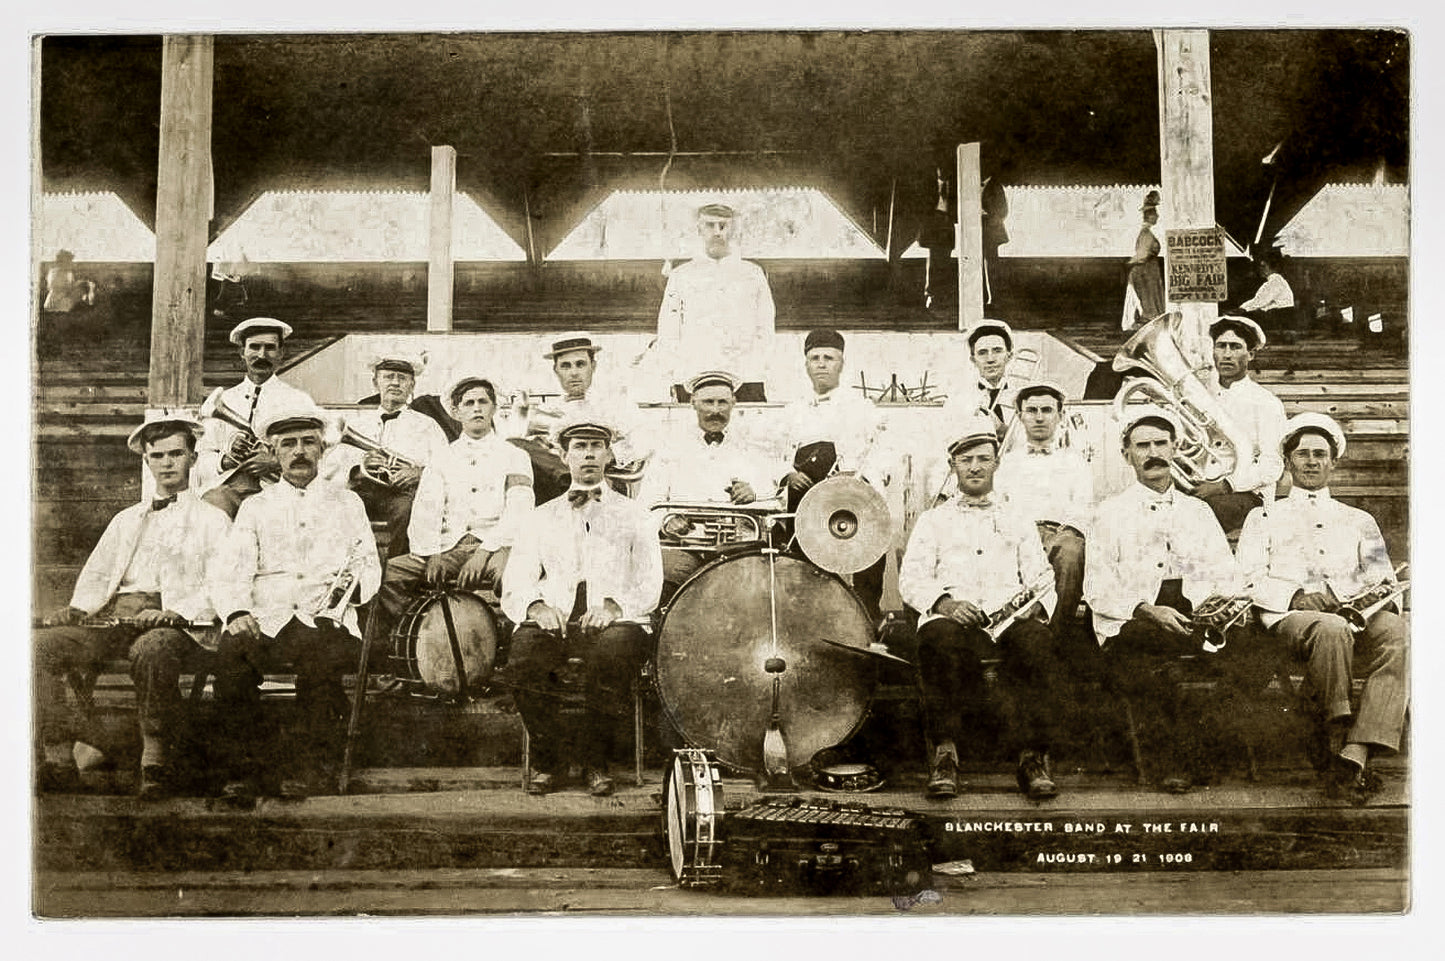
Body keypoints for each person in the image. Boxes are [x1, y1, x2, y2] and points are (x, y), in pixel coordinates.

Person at [34, 412, 230, 798]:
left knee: (151, 650)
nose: (167, 463)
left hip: (176, 623)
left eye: (176, 454)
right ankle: (58, 758)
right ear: (147, 461)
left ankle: (154, 762)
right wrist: (78, 609)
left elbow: (224, 581)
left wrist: (176, 611)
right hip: (112, 620)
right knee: (39, 648)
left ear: (193, 457)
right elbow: (97, 573)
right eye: (158, 456)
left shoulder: (213, 520)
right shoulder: (127, 519)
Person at [210, 403, 382, 803]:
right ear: (275, 453)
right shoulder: (256, 506)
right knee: (232, 656)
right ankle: (244, 770)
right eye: (289, 444)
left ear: (322, 450)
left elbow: (367, 564)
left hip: (327, 616)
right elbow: (231, 569)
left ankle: (308, 768)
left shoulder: (347, 503)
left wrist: (338, 606)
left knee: (320, 658)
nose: (299, 451)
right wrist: (237, 612)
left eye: (308, 442)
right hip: (267, 616)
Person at [1236, 413, 1407, 801]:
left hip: (1352, 616)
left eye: (1320, 454)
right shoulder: (1262, 516)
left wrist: (1343, 595)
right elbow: (1246, 579)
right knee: (1330, 630)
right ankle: (1334, 737)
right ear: (1288, 462)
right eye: (1302, 454)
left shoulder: (1359, 519)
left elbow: (1384, 579)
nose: (1311, 461)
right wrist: (1295, 596)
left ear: (1333, 461)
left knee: (1400, 631)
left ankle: (1356, 751)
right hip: (1289, 620)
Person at [898, 415, 1062, 801]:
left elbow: (1042, 576)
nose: (974, 467)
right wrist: (945, 603)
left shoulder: (1018, 518)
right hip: (952, 619)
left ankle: (1031, 757)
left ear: (995, 464)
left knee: (1037, 642)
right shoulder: (932, 521)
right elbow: (911, 579)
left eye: (983, 459)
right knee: (938, 639)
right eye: (966, 459)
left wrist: (1033, 609)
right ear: (953, 465)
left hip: (1009, 620)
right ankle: (946, 754)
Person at [500, 413, 663, 797]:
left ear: (608, 455)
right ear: (565, 455)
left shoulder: (636, 515)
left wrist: (614, 606)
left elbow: (650, 582)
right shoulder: (540, 517)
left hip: (619, 623)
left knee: (609, 659)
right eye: (579, 447)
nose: (588, 455)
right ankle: (550, 759)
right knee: (522, 662)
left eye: (596, 446)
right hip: (556, 619)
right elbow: (517, 580)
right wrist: (537, 607)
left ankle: (595, 761)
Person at [1083, 407, 1245, 794]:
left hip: (1196, 614)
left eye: (1160, 443)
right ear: (1127, 455)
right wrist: (1146, 609)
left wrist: (1216, 610)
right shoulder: (1109, 513)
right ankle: (1177, 760)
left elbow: (1227, 572)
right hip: (1134, 619)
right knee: (1155, 661)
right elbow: (1096, 585)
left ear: (1175, 449)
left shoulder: (1199, 510)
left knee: (1255, 653)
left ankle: (1212, 747)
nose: (1152, 452)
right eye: (1142, 446)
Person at [372, 375, 535, 641]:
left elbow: (520, 510)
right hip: (448, 548)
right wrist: (432, 553)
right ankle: (413, 643)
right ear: (456, 412)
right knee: (388, 575)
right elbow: (426, 509)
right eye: (469, 403)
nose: (477, 408)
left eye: (483, 401)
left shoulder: (515, 455)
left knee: (516, 574)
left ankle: (507, 646)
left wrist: (484, 552)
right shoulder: (442, 458)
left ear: (494, 408)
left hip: (499, 547)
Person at [637, 370, 781, 600]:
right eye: (708, 402)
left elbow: (776, 501)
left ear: (733, 403)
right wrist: (666, 522)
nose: (715, 410)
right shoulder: (669, 449)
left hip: (739, 548)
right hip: (684, 545)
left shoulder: (753, 449)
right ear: (693, 403)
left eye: (722, 402)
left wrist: (755, 495)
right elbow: (647, 504)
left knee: (754, 587)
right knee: (671, 576)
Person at [778, 328, 890, 622]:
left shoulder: (863, 408)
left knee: (867, 555)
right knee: (803, 568)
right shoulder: (792, 411)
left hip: (852, 498)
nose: (822, 364)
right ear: (806, 364)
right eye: (815, 358)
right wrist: (787, 474)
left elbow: (882, 453)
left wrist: (860, 478)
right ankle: (808, 625)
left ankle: (866, 624)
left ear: (842, 363)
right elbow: (771, 453)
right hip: (805, 500)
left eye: (829, 357)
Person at [321, 351, 450, 557]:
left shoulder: (427, 425)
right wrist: (357, 469)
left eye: (402, 378)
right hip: (362, 491)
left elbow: (446, 465)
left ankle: (395, 568)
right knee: (335, 505)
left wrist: (419, 473)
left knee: (406, 510)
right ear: (376, 383)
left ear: (412, 386)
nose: (395, 383)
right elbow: (332, 466)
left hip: (403, 494)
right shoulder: (357, 424)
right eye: (388, 377)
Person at [992, 381, 1093, 634]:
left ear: (1060, 415)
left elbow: (1083, 508)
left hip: (1060, 536)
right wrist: (1024, 536)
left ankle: (1055, 634)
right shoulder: (1005, 463)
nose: (1039, 418)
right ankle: (1013, 631)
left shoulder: (1075, 462)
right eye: (1032, 410)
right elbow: (998, 507)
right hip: (1017, 535)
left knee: (1071, 550)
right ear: (1020, 416)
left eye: (1047, 410)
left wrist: (1062, 534)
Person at [196, 318, 318, 519]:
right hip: (228, 489)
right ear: (242, 352)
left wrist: (277, 462)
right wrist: (225, 460)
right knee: (210, 512)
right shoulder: (226, 399)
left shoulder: (299, 401)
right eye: (254, 347)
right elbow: (201, 458)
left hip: (278, 489)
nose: (262, 355)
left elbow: (316, 452)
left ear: (281, 353)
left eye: (270, 348)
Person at [655, 203, 776, 400]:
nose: (717, 232)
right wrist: (679, 370)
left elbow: (765, 329)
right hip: (694, 378)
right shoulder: (681, 276)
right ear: (699, 229)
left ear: (733, 229)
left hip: (745, 377)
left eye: (723, 225)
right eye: (710, 225)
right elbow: (668, 332)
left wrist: (753, 366)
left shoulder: (752, 274)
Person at [508, 332, 643, 504]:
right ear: (556, 370)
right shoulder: (549, 408)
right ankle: (567, 481)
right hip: (554, 484)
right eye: (566, 366)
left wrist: (609, 455)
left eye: (580, 365)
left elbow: (644, 442)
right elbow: (514, 448)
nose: (574, 373)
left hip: (604, 479)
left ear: (593, 366)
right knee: (515, 447)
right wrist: (520, 414)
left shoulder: (617, 405)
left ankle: (571, 481)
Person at [1192, 315, 1288, 538]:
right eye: (1221, 346)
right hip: (1203, 486)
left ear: (1251, 354)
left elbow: (1272, 465)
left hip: (1247, 494)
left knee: (1195, 517)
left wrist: (1226, 485)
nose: (1226, 354)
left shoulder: (1266, 402)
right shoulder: (1199, 395)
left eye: (1235, 347)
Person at [1123, 190, 1165, 331]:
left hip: (1150, 270)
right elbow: (1142, 254)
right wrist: (1131, 263)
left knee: (1152, 301)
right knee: (1149, 303)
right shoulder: (1146, 233)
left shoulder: (1148, 233)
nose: (1157, 216)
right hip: (1146, 271)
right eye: (1155, 214)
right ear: (1150, 216)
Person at [1236, 251, 1297, 341]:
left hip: (1280, 316)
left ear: (1273, 267)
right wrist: (1242, 308)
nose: (1261, 269)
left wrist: (1242, 309)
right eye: (1260, 266)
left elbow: (1261, 301)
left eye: (1264, 266)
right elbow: (1257, 300)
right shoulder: (1272, 281)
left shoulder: (1275, 281)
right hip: (1279, 315)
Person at [42, 249, 95, 313]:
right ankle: (87, 305)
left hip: (58, 300)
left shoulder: (64, 272)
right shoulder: (56, 273)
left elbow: (69, 285)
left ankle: (87, 304)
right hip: (58, 302)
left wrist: (81, 283)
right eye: (69, 261)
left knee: (86, 285)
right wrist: (79, 285)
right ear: (62, 261)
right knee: (83, 288)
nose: (70, 263)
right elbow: (65, 288)